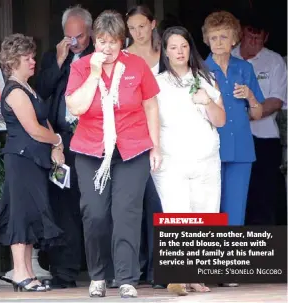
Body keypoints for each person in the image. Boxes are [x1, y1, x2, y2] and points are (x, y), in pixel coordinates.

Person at [65, 10, 161, 298]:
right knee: (94, 214)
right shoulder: (82, 67)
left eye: (113, 42)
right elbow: (76, 107)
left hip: (131, 148)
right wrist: (94, 74)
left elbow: (151, 107)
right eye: (102, 42)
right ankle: (97, 275)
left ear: (122, 41)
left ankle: (127, 278)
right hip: (92, 149)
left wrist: (155, 146)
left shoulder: (137, 65)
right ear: (95, 40)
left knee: (126, 214)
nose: (106, 48)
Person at [0, 33, 65, 292]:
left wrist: (56, 143)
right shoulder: (15, 90)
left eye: (32, 56)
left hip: (33, 160)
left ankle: (28, 271)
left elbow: (43, 119)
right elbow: (33, 129)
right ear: (13, 60)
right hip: (21, 159)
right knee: (21, 214)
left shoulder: (28, 88)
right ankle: (20, 272)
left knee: (31, 213)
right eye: (27, 57)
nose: (33, 61)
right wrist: (57, 140)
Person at [152, 25, 226, 296]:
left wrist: (207, 101)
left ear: (190, 47)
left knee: (205, 213)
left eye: (183, 45)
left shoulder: (206, 76)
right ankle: (178, 276)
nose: (179, 51)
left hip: (206, 156)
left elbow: (220, 120)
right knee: (177, 213)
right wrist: (154, 148)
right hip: (172, 157)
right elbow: (150, 121)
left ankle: (194, 275)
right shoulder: (156, 81)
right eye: (173, 47)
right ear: (165, 51)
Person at [202, 11, 264, 286]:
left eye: (223, 37)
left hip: (241, 147)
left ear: (234, 39)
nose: (218, 42)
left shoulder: (245, 69)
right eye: (213, 37)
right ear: (206, 39)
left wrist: (250, 96)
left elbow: (258, 113)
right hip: (209, 148)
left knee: (234, 209)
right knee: (208, 207)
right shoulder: (200, 69)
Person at [35, 5, 94, 289]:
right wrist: (59, 62)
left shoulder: (100, 55)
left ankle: (101, 270)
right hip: (61, 142)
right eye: (69, 37)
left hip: (94, 139)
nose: (74, 43)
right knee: (63, 207)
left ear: (90, 32)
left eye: (80, 37)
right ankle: (65, 272)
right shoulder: (54, 57)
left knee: (95, 207)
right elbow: (41, 91)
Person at [231, 14, 287, 226]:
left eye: (259, 38)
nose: (254, 42)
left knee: (264, 197)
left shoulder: (274, 61)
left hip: (264, 138)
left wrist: (249, 115)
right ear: (241, 34)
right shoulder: (227, 55)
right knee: (237, 195)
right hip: (233, 138)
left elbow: (277, 100)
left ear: (266, 38)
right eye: (250, 36)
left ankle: (265, 250)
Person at [124, 4, 164, 288]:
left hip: (166, 136)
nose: (137, 32)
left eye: (141, 26)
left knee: (160, 204)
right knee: (132, 204)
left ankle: (158, 268)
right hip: (133, 137)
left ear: (153, 24)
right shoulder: (124, 57)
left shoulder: (168, 54)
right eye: (132, 28)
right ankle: (132, 269)